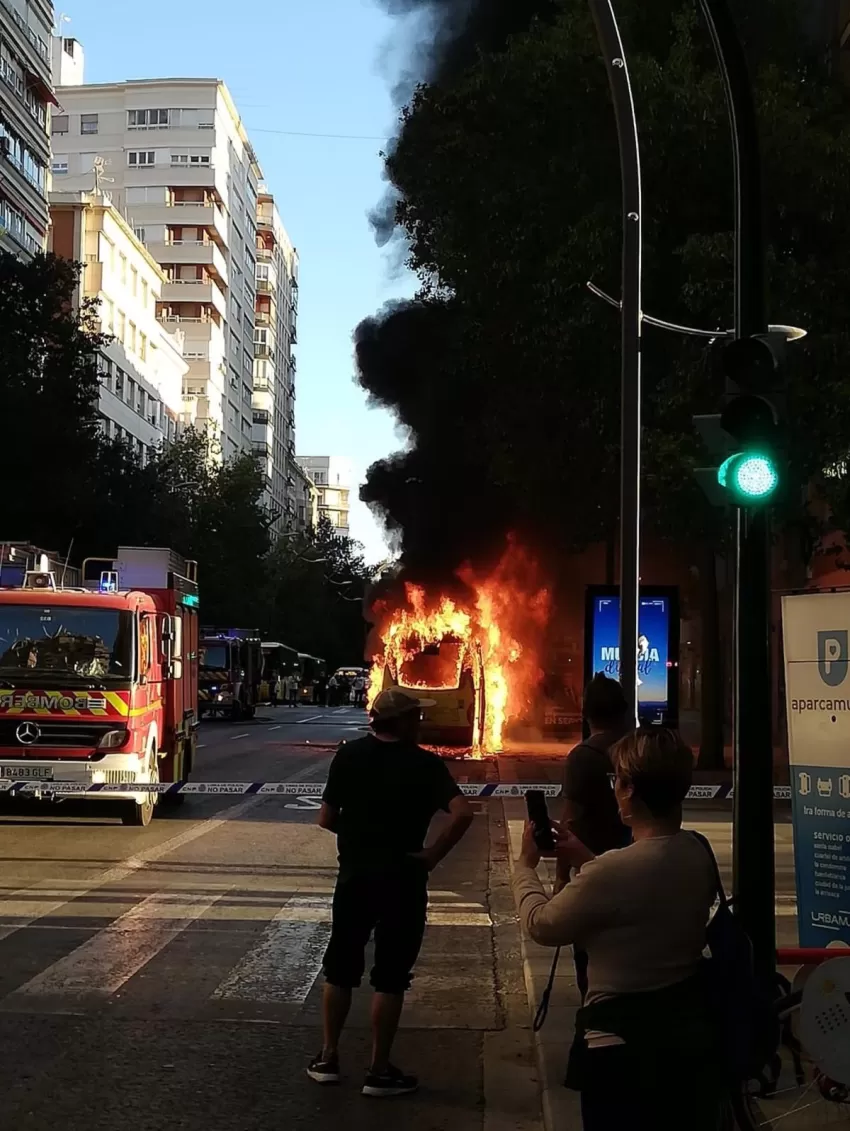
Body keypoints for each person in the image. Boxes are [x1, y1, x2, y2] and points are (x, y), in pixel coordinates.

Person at [513, 728, 723, 1131]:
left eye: (617, 780)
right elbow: (644, 891)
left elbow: (542, 924)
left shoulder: (611, 872)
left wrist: (525, 867)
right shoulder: (697, 849)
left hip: (621, 1049)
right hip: (686, 1038)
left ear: (628, 790)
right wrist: (588, 859)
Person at [308, 686, 474, 1097]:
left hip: (355, 878)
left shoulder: (348, 756)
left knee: (340, 968)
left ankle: (328, 1057)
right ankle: (379, 1070)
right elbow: (462, 813)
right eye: (416, 715)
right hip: (403, 879)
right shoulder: (425, 764)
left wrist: (359, 836)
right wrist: (432, 854)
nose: (421, 721)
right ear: (403, 722)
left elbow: (326, 818)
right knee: (391, 976)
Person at [561, 673, 632, 999]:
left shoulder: (582, 757)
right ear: (623, 711)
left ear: (586, 714)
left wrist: (560, 878)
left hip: (592, 871)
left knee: (589, 960)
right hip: (636, 865)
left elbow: (571, 820)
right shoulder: (637, 752)